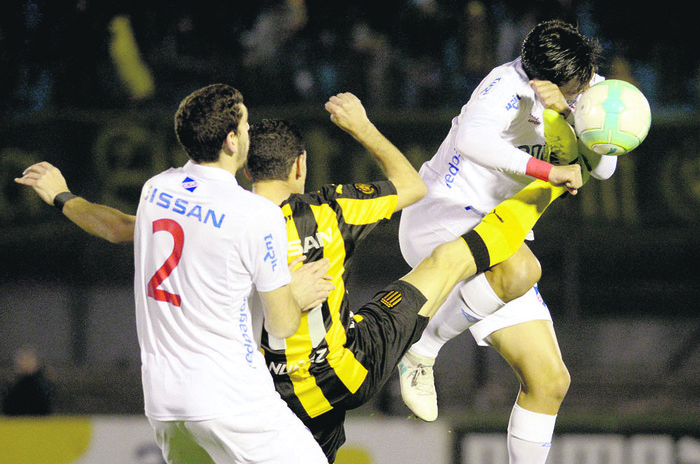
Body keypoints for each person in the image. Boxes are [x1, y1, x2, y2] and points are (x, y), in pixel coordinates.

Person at [16, 91, 583, 462]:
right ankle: (435, 333)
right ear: (296, 166)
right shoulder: (310, 211)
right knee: (451, 260)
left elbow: (118, 228)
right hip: (328, 373)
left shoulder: (162, 195)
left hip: (210, 398)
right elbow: (413, 189)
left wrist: (62, 196)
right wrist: (361, 126)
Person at [396, 19, 616, 464]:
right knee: (520, 268)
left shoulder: (586, 85)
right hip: (440, 214)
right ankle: (423, 347)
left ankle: (422, 347)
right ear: (538, 80)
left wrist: (571, 111)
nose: (581, 91)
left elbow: (604, 167)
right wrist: (546, 171)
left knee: (549, 381)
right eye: (571, 89)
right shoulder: (503, 84)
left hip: (496, 226)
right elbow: (471, 139)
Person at [2, 347, 54, 416]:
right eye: (21, 359)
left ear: (36, 362)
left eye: (28, 359)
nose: (23, 362)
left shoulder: (42, 386)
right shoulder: (12, 385)